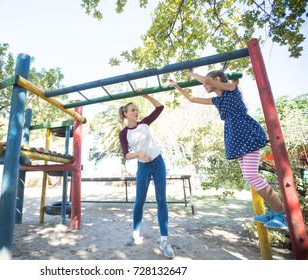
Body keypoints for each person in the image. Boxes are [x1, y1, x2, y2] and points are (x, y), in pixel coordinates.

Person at [169, 69, 288, 230]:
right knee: (249, 176)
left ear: (217, 79)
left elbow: (209, 82)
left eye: (206, 82)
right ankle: (276, 211)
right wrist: (176, 85)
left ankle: (283, 213)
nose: (204, 85)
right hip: (235, 137)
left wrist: (191, 74)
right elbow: (191, 98)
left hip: (246, 132)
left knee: (252, 175)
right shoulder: (217, 101)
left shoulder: (231, 88)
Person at [118, 94, 175, 258]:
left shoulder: (144, 123)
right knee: (139, 201)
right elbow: (126, 155)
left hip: (158, 163)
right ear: (125, 114)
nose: (136, 112)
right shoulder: (124, 134)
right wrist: (139, 154)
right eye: (132, 110)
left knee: (161, 199)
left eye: (137, 109)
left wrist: (145, 95)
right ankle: (135, 235)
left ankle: (164, 241)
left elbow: (160, 107)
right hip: (143, 167)